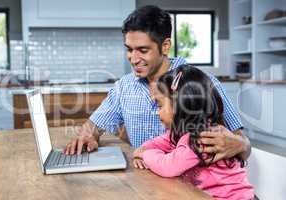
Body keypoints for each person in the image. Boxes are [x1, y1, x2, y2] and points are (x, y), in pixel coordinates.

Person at [63, 5, 251, 165]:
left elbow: (244, 145)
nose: (134, 59)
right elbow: (93, 127)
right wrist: (87, 136)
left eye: (143, 50)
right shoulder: (124, 87)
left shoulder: (202, 83)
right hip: (146, 184)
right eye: (129, 49)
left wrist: (240, 145)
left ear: (166, 46)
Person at [133, 65, 254, 200]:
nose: (157, 112)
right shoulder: (183, 132)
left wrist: (145, 154)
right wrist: (143, 149)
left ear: (180, 105)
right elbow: (159, 142)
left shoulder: (203, 138)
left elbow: (168, 166)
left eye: (160, 105)